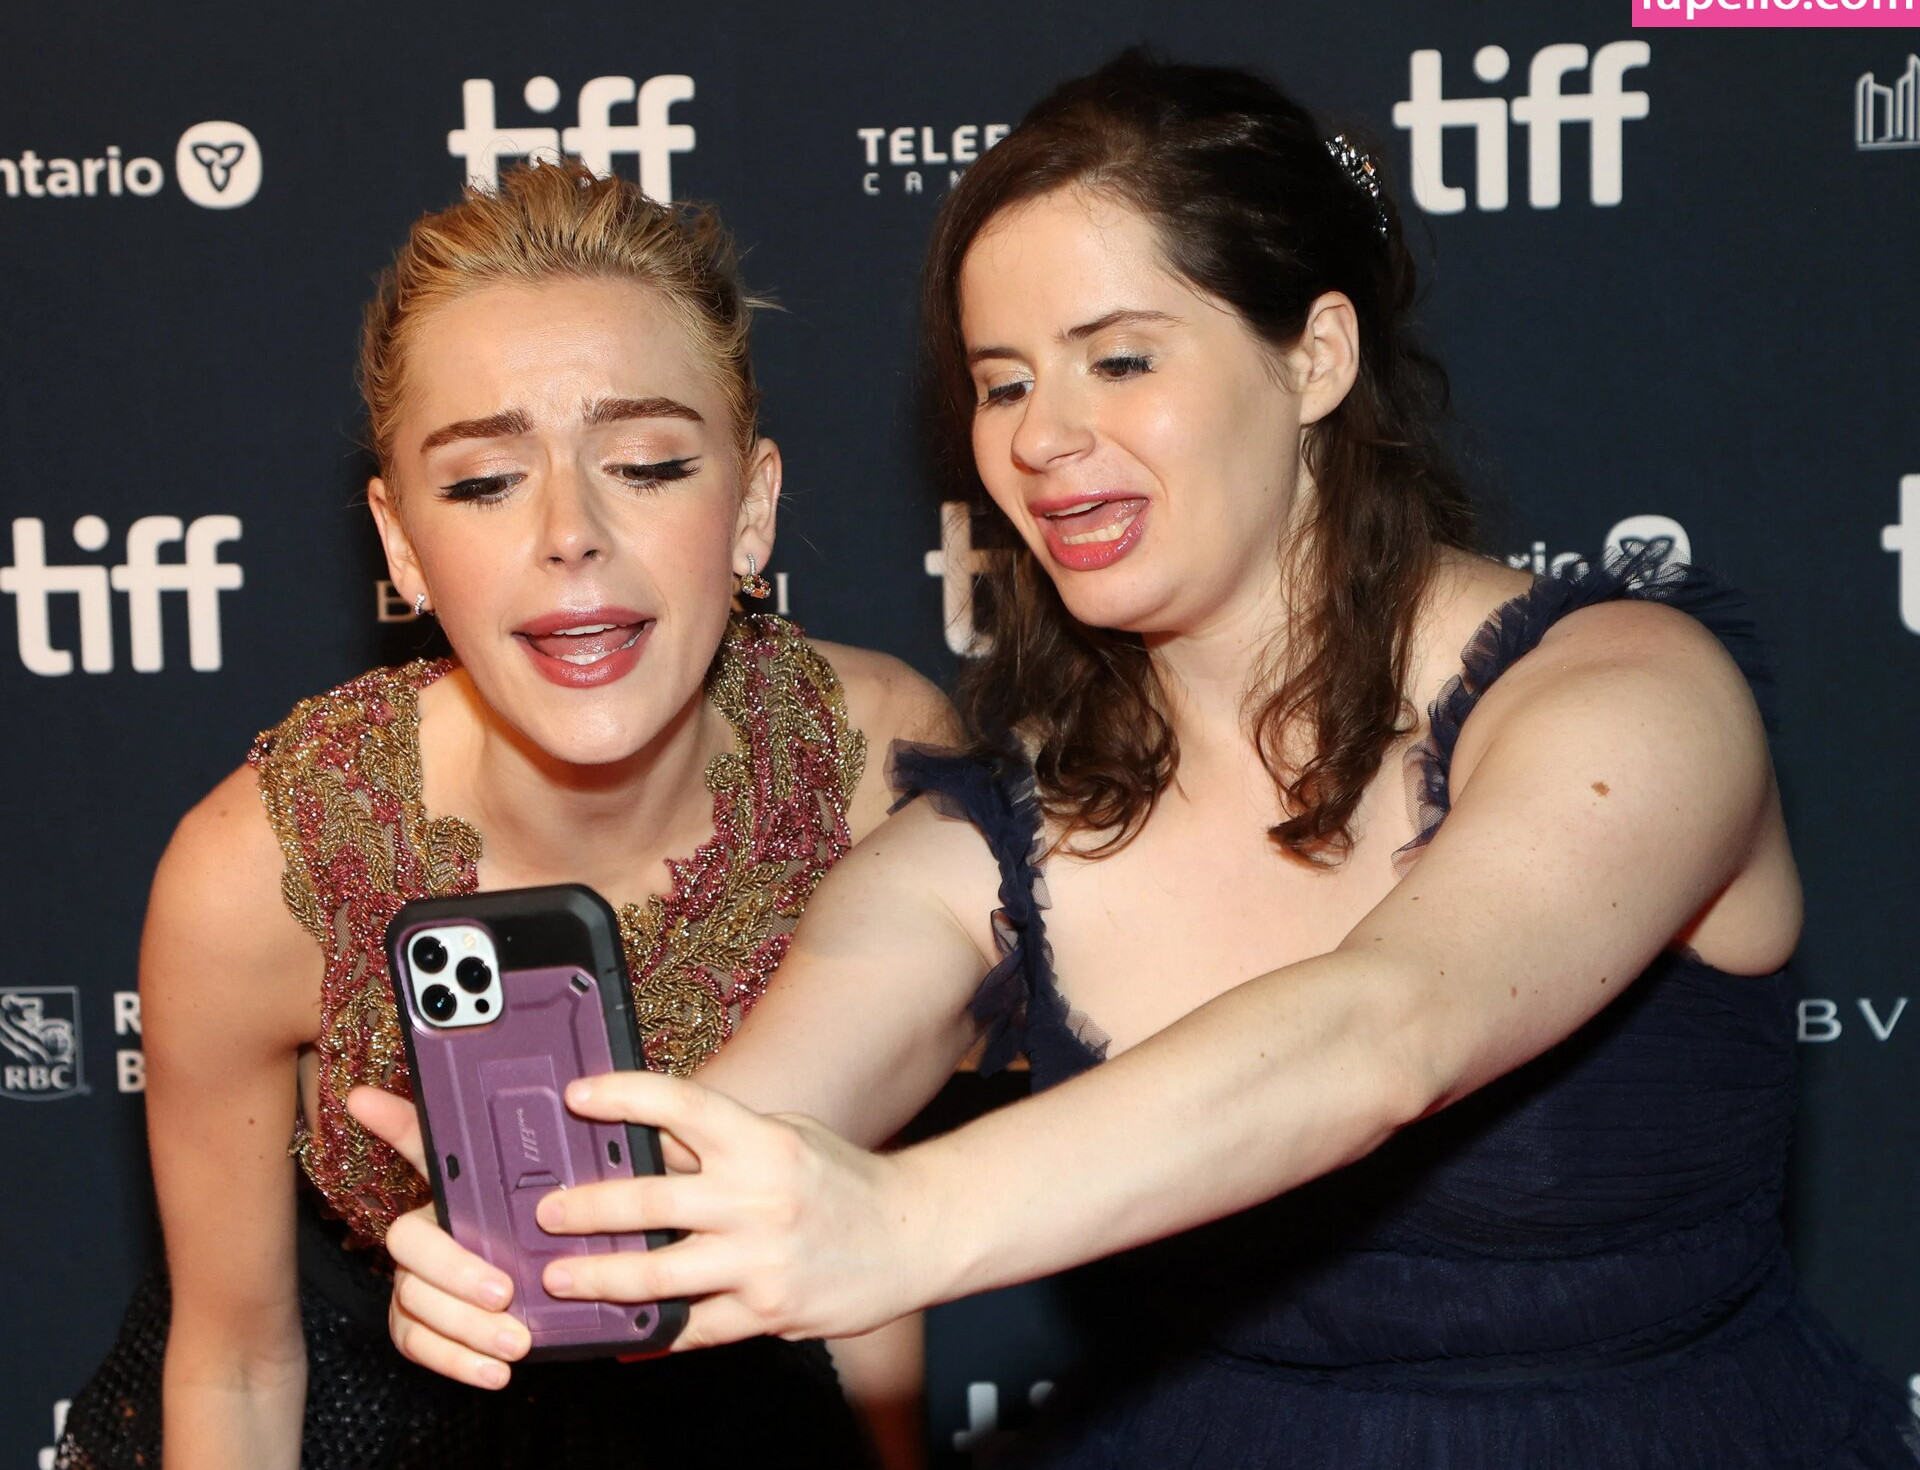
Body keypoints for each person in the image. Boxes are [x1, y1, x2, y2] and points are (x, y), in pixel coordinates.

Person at [359, 53, 1920, 1467]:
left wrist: (902, 1216)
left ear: (1315, 357)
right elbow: (727, 1156)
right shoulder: (982, 851)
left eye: (1119, 360)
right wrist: (558, 1242)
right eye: (1003, 382)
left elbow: (1388, 1030)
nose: (1042, 437)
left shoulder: (1630, 694)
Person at [56, 160, 946, 1470]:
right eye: (482, 483)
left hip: (749, 1420)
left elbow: (869, 1246)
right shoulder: (264, 869)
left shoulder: (876, 766)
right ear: (400, 544)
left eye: (646, 463)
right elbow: (236, 1366)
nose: (569, 532)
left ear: (753, 507)